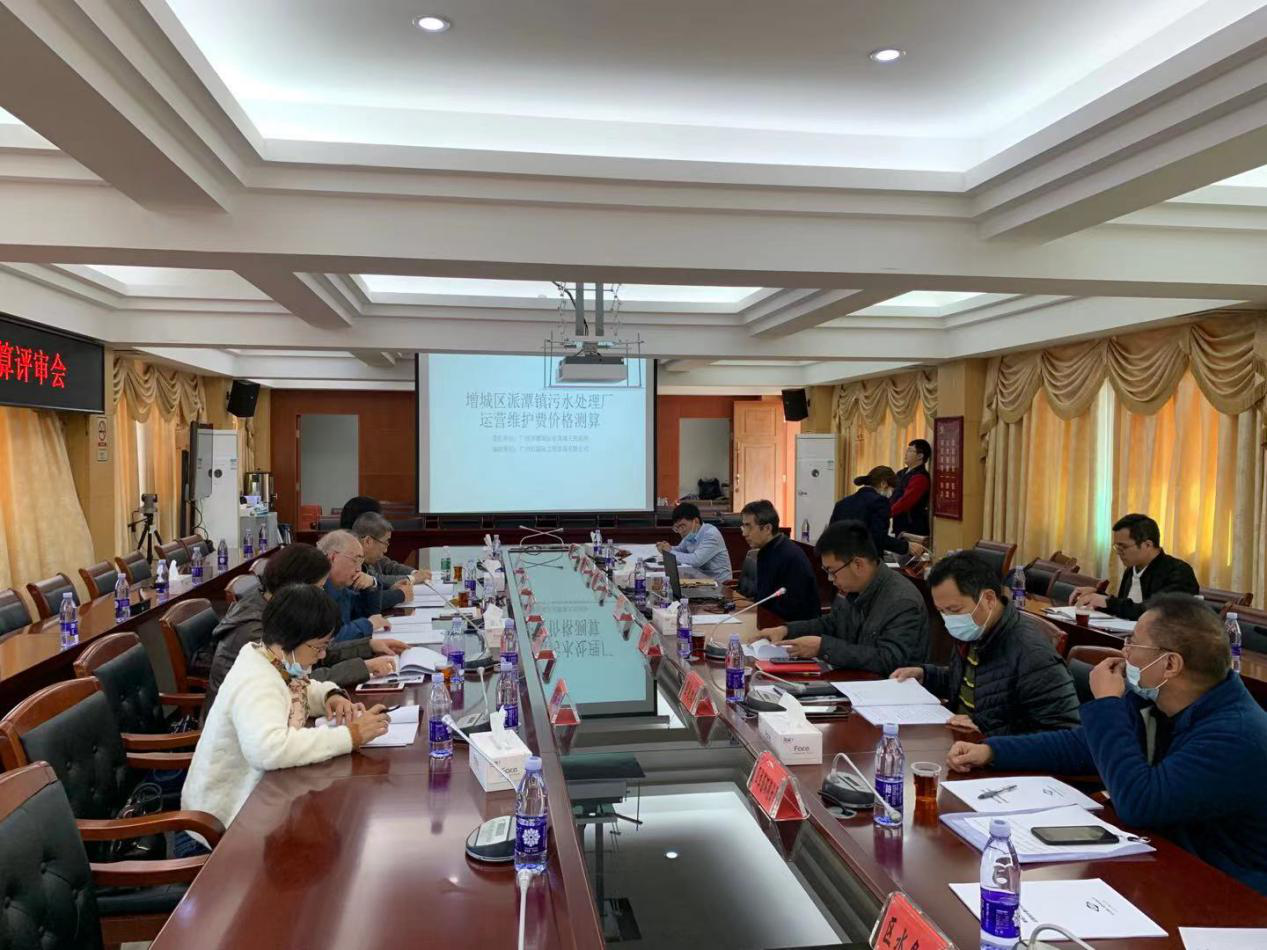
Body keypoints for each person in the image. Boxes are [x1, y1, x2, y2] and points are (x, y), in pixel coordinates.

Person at [947, 594, 1267, 896]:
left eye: (1133, 643)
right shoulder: (1160, 699)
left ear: (1170, 664)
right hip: (1164, 865)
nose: (1124, 653)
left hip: (1229, 893)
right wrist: (993, 750)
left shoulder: (1236, 735)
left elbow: (1139, 802)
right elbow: (1087, 747)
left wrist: (1107, 705)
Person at [180, 584, 392, 851]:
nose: (322, 655)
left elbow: (301, 689)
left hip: (259, 805)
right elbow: (269, 749)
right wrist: (350, 736)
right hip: (222, 826)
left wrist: (330, 695)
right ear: (290, 639)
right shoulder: (257, 681)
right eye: (318, 647)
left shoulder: (271, 659)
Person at [203, 543, 407, 715]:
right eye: (319, 588)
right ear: (297, 586)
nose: (322, 594)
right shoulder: (255, 631)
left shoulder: (276, 607)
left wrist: (368, 646)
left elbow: (315, 653)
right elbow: (295, 683)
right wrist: (363, 667)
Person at [892, 552, 1079, 736]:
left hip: (993, 750)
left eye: (954, 610)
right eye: (941, 611)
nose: (948, 619)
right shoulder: (976, 630)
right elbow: (976, 684)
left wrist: (986, 735)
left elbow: (1064, 735)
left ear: (988, 599)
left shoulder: (1032, 653)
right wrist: (926, 675)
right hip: (959, 738)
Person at [762, 520, 928, 675]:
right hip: (855, 679)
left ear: (858, 564)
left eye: (832, 571)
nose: (830, 579)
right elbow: (832, 623)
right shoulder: (855, 588)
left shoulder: (902, 601)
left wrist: (823, 647)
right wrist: (786, 630)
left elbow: (889, 660)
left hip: (885, 690)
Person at [1072, 513, 1199, 620]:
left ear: (1147, 545)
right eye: (1117, 547)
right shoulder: (1132, 569)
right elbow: (1127, 609)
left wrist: (1108, 602)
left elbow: (1153, 612)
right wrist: (1097, 596)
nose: (1119, 552)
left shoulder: (1179, 572)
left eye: (1123, 547)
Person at [738, 499, 820, 623]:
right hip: (770, 621)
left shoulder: (789, 556)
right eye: (743, 526)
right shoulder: (768, 550)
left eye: (748, 527)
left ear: (767, 528)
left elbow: (790, 609)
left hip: (793, 628)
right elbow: (764, 598)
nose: (744, 533)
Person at [829, 465, 926, 559]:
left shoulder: (842, 503)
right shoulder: (880, 502)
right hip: (865, 562)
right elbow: (879, 538)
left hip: (840, 560)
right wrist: (907, 546)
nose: (891, 494)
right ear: (883, 484)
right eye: (892, 490)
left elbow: (831, 535)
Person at [318, 530, 390, 642]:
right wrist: (368, 624)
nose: (359, 569)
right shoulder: (313, 592)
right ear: (333, 558)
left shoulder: (342, 588)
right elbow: (328, 640)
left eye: (361, 562)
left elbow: (368, 615)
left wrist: (371, 585)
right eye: (355, 560)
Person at [349, 511, 421, 610]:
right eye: (385, 542)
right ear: (368, 541)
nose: (386, 550)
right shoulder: (349, 564)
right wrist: (400, 594)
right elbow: (362, 603)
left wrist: (391, 589)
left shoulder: (366, 560)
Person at [655, 501, 733, 583]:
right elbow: (680, 549)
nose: (680, 531)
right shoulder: (690, 534)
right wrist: (666, 547)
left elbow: (696, 560)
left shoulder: (711, 534)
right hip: (700, 580)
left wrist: (670, 551)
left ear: (696, 521)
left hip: (719, 584)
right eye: (677, 528)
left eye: (682, 526)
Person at [890, 439, 932, 536]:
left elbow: (906, 501)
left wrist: (886, 513)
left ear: (920, 456)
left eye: (910, 451)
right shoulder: (901, 473)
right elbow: (894, 496)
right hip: (899, 524)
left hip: (913, 527)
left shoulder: (920, 477)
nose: (906, 454)